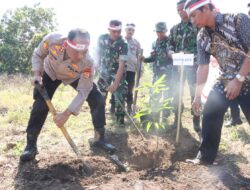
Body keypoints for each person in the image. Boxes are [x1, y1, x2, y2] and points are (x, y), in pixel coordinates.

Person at [20, 28, 114, 161]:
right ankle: (31, 145)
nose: (81, 55)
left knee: (97, 98)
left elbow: (84, 90)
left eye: (84, 51)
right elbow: (38, 55)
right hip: (50, 72)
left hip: (73, 76)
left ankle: (99, 138)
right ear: (67, 43)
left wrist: (66, 114)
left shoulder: (88, 62)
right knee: (41, 104)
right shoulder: (52, 40)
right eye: (77, 51)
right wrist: (37, 73)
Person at [184, 0, 250, 164]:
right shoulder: (202, 36)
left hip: (247, 76)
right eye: (189, 17)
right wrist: (197, 97)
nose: (192, 20)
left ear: (206, 8)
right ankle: (205, 158)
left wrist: (239, 79)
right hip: (226, 79)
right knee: (211, 113)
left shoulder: (237, 20)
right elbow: (203, 67)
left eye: (193, 15)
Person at [169, 0, 200, 133]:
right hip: (178, 67)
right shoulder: (175, 29)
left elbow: (203, 45)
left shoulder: (197, 26)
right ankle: (177, 120)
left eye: (182, 9)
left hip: (193, 67)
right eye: (178, 10)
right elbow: (170, 45)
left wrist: (195, 56)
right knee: (177, 93)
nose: (181, 12)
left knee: (194, 93)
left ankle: (196, 121)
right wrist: (171, 52)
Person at [97, 20, 128, 127]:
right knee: (100, 97)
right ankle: (99, 122)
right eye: (114, 31)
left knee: (119, 97)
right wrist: (97, 69)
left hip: (117, 73)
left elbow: (122, 65)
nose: (116, 34)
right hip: (104, 72)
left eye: (118, 31)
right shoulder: (101, 39)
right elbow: (98, 55)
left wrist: (115, 83)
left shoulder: (123, 44)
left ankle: (120, 123)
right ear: (109, 29)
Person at [143, 22, 173, 123]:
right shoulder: (154, 43)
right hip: (156, 74)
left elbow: (172, 56)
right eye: (158, 32)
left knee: (167, 96)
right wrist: (144, 59)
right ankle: (154, 118)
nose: (160, 34)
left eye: (162, 32)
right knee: (154, 95)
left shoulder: (170, 41)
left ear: (166, 31)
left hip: (168, 75)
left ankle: (165, 119)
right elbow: (153, 57)